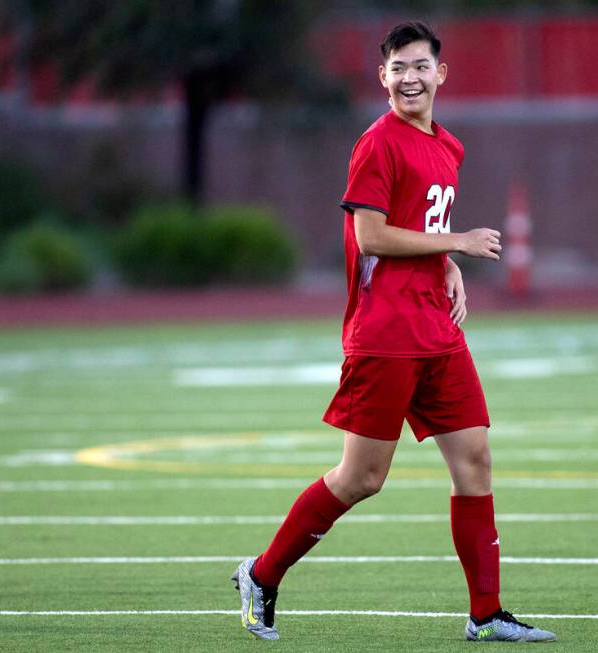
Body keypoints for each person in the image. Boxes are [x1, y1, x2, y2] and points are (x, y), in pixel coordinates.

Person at [231, 22, 556, 643]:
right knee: (362, 478)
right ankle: (263, 575)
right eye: (398, 68)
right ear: (383, 79)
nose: (410, 77)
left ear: (441, 74)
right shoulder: (377, 144)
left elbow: (418, 221)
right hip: (384, 333)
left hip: (437, 328)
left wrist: (448, 263)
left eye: (420, 66)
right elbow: (370, 236)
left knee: (476, 461)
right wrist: (456, 241)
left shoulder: (448, 147)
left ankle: (485, 614)